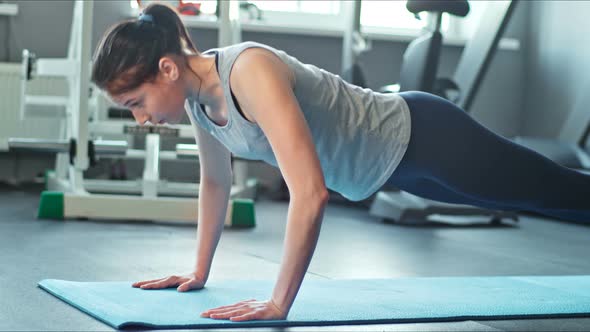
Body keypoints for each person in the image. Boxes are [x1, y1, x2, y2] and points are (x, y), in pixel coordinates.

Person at [90, 3, 590, 322]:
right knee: (544, 198)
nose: (141, 118)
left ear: (168, 69)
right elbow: (215, 184)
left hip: (424, 136)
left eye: (135, 101)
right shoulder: (199, 101)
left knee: (555, 193)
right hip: (395, 170)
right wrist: (198, 271)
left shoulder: (248, 70)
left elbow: (310, 192)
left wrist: (279, 303)